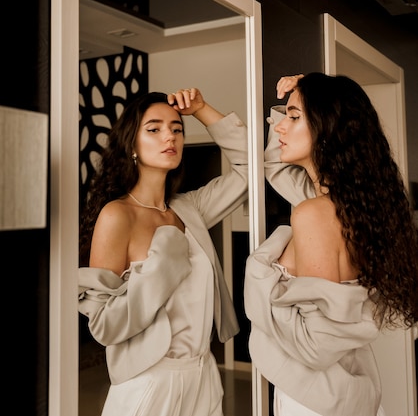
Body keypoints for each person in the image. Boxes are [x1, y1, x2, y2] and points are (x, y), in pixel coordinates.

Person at [244, 72, 418, 416]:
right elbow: (273, 166)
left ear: (330, 127)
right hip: (347, 390)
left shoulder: (313, 213)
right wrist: (301, 95)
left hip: (313, 401)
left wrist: (261, 283)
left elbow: (314, 346)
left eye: (293, 117)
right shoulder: (357, 207)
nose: (279, 126)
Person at [78, 88, 247, 416]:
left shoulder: (190, 210)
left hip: (203, 373)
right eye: (153, 129)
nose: (168, 136)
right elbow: (103, 323)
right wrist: (161, 269)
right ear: (132, 145)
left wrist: (200, 109)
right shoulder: (117, 215)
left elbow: (249, 168)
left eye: (177, 128)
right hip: (148, 378)